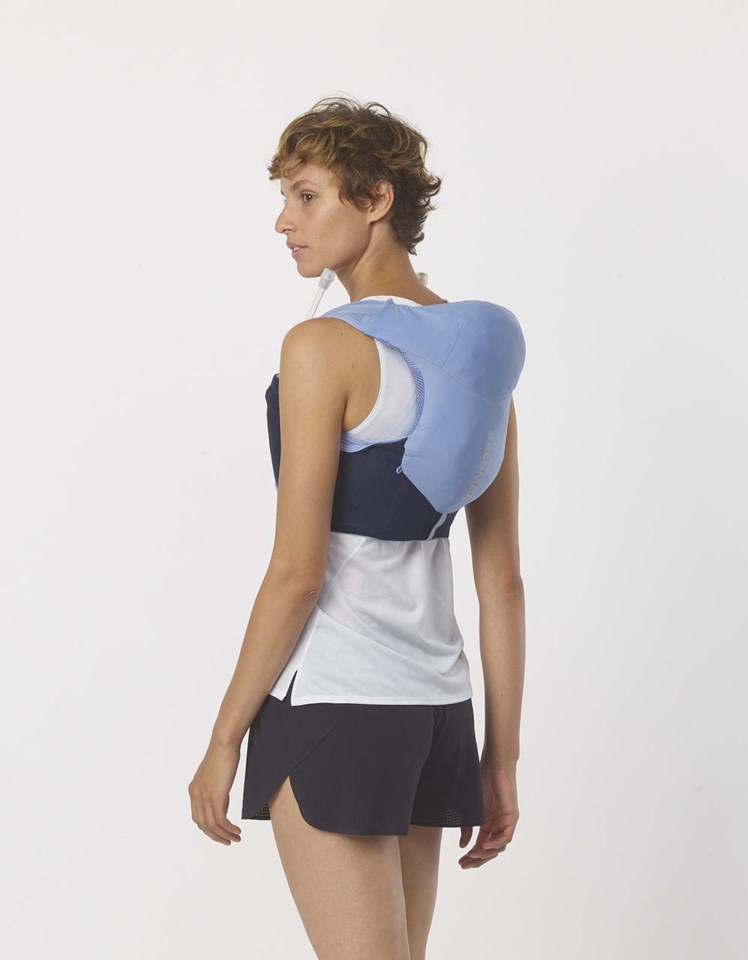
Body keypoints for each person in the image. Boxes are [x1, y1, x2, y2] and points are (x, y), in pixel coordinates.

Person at [188, 96, 526, 960]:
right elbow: (501, 583)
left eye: (306, 196)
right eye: (285, 198)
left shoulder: (321, 347)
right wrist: (499, 760)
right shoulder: (483, 356)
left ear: (376, 199)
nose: (284, 221)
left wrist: (223, 740)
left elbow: (297, 574)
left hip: (335, 703)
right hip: (437, 711)